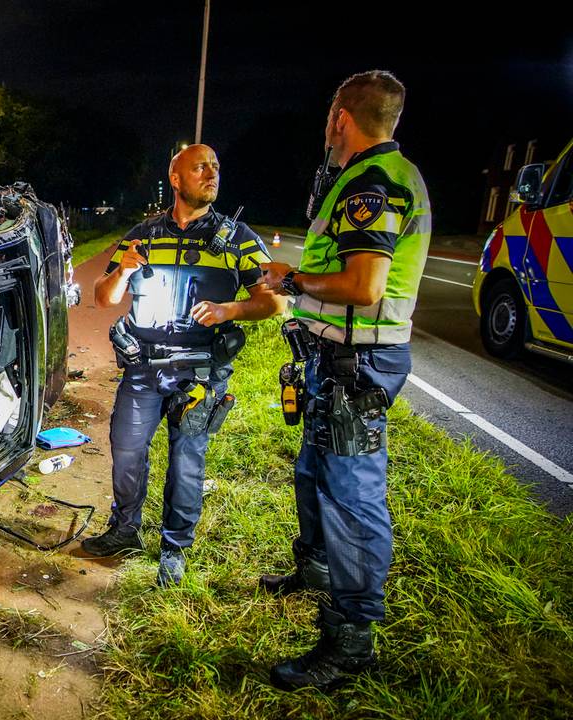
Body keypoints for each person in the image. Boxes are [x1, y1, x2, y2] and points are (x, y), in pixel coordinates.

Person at [258, 70, 431, 691]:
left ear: (341, 117)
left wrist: (295, 282)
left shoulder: (374, 181)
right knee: (312, 472)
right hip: (334, 363)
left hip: (359, 367)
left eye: (330, 115)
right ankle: (316, 572)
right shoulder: (362, 177)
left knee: (352, 500)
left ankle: (352, 638)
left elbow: (364, 286)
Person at [81, 144, 285, 588]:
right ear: (176, 179)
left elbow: (273, 301)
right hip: (143, 368)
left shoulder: (238, 238)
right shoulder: (144, 235)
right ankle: (125, 530)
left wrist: (229, 311)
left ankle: (174, 549)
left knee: (186, 462)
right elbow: (102, 298)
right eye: (200, 167)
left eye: (215, 166)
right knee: (127, 450)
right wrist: (121, 272)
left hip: (200, 372)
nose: (212, 174)